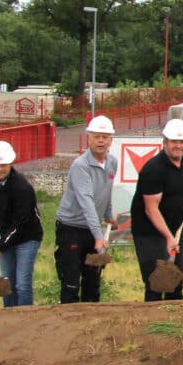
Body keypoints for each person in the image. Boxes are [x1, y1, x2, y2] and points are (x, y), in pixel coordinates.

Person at [54, 115, 118, 303]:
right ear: (88, 138)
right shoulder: (80, 166)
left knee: (93, 279)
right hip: (71, 228)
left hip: (92, 228)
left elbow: (106, 191)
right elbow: (87, 202)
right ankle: (67, 325)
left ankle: (90, 327)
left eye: (105, 137)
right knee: (71, 280)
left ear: (110, 140)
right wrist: (99, 237)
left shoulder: (112, 162)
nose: (101, 141)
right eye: (97, 136)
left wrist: (108, 215)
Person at [131, 118, 183, 301]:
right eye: (174, 141)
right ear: (165, 143)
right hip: (149, 232)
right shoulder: (153, 170)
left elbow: (181, 188)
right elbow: (151, 209)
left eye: (182, 142)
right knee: (157, 281)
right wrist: (167, 237)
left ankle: (175, 325)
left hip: (175, 228)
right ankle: (153, 326)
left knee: (176, 279)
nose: (178, 146)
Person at [0, 141, 43, 307]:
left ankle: (25, 320)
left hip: (27, 237)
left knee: (22, 284)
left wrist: (0, 246)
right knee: (7, 282)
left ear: (10, 164)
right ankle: (9, 318)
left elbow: (21, 223)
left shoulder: (21, 188)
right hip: (7, 238)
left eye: (3, 165)